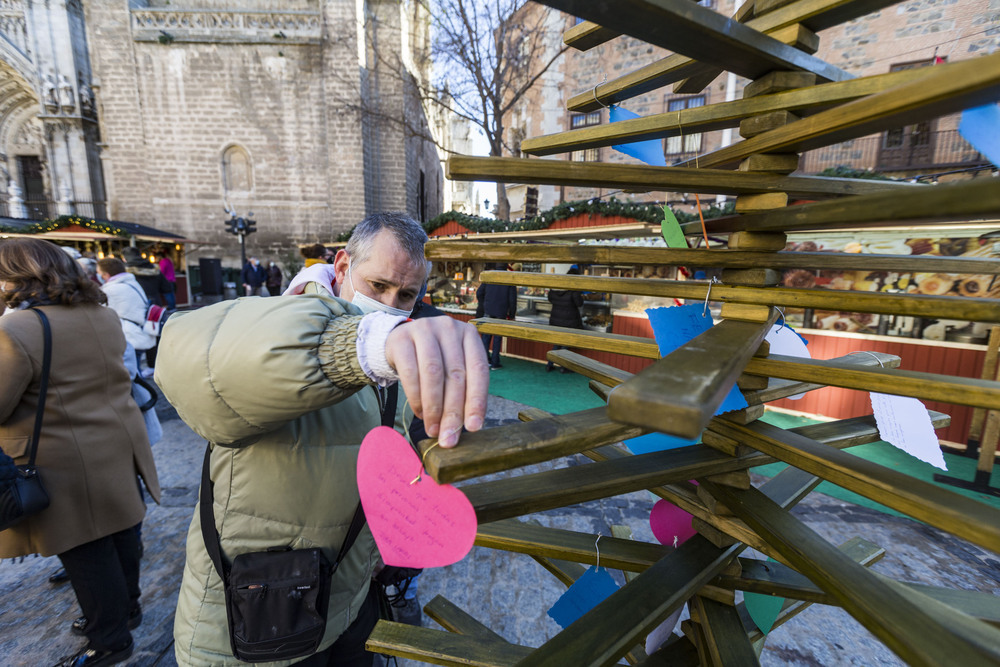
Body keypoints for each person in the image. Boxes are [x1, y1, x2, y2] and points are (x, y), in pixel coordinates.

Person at [156, 212, 488, 666]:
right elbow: (198, 359)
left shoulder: (396, 361)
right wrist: (356, 346)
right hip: (259, 616)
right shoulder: (278, 319)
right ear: (343, 267)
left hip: (348, 600)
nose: (391, 304)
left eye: (406, 294)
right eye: (379, 286)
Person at [0, 238, 160, 667]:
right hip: (115, 441)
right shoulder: (102, 314)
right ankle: (126, 611)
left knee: (85, 552)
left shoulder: (17, 327)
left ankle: (109, 640)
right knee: (122, 531)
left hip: (61, 456)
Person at [96, 258, 158, 359]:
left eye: (99, 273)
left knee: (132, 371)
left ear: (106, 275)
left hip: (129, 336)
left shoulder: (111, 289)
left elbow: (99, 311)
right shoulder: (131, 282)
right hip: (139, 333)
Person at [475, 264, 517, 370]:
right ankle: (495, 363)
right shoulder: (510, 278)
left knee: (485, 337)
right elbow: (513, 300)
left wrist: (484, 304)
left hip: (488, 310)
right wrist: (512, 314)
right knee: (497, 338)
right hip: (501, 312)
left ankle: (484, 361)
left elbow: (479, 293)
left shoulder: (490, 276)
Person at [546, 266, 585, 373]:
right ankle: (563, 367)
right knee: (565, 345)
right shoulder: (573, 289)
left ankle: (549, 364)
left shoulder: (556, 287)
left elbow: (550, 298)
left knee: (556, 343)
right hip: (569, 320)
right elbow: (579, 303)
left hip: (555, 320)